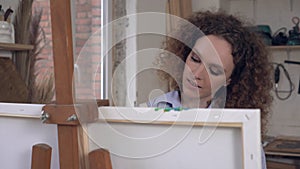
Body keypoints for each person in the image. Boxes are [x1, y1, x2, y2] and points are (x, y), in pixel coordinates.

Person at [147, 11, 273, 169]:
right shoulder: (151, 109)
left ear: (229, 80)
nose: (197, 74)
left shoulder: (240, 130)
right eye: (195, 59)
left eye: (214, 70)